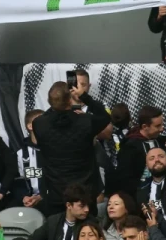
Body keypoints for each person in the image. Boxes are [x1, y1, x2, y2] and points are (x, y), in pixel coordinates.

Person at [32, 80, 110, 215]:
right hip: (84, 191)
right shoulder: (86, 121)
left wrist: (57, 104)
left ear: (49, 102)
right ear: (70, 100)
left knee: (57, 227)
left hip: (56, 192)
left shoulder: (39, 124)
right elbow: (104, 116)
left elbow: (49, 117)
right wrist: (83, 96)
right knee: (87, 228)